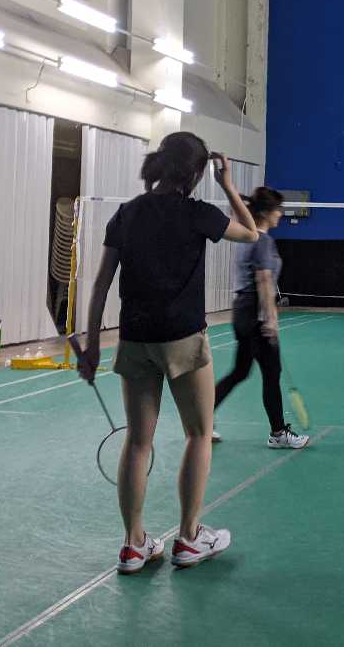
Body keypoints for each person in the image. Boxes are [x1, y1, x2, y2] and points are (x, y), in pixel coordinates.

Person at [80, 132, 259, 574]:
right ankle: (189, 538)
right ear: (196, 172)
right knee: (199, 434)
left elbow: (101, 284)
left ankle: (133, 545)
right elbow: (251, 232)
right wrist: (228, 185)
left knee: (138, 441)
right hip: (183, 340)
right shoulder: (198, 214)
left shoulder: (127, 214)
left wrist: (91, 346)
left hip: (135, 340)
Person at [211, 187, 309, 449]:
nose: (281, 214)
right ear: (266, 212)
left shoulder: (247, 236)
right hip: (255, 311)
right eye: (278, 209)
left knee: (240, 371)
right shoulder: (262, 241)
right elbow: (264, 279)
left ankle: (202, 419)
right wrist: (270, 318)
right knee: (271, 373)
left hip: (242, 311)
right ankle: (278, 433)